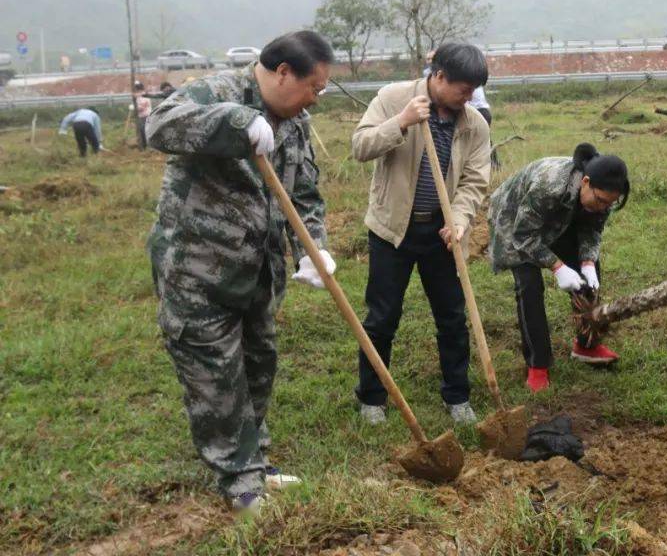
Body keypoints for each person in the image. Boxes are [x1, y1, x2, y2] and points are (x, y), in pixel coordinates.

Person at [146, 30, 336, 512]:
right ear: (283, 72)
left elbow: (305, 194)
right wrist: (236, 123)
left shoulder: (295, 122)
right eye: (314, 86)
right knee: (216, 377)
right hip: (198, 271)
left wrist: (314, 248)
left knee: (257, 367)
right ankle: (239, 481)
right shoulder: (217, 93)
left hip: (257, 273)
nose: (317, 96)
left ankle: (256, 462)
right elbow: (160, 125)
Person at [350, 42, 491, 425]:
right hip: (391, 230)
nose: (468, 98)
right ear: (439, 77)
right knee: (382, 317)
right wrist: (401, 122)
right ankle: (372, 397)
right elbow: (360, 146)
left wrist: (460, 219)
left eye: (473, 91)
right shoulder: (394, 97)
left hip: (442, 234)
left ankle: (458, 396)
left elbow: (476, 180)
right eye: (463, 90)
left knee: (452, 317)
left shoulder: (473, 123)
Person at [488, 143, 630, 392]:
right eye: (599, 200)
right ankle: (537, 365)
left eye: (609, 204)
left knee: (591, 273)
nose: (603, 207)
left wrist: (586, 263)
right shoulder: (549, 184)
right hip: (515, 221)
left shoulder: (603, 197)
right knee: (529, 285)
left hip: (559, 218)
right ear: (585, 181)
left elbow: (591, 229)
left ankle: (586, 345)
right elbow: (524, 236)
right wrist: (558, 266)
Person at [133, 81, 152, 150]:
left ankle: (147, 146)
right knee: (141, 131)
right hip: (141, 116)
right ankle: (144, 146)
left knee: (145, 131)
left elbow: (143, 107)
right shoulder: (138, 97)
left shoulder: (144, 96)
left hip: (145, 116)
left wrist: (135, 108)